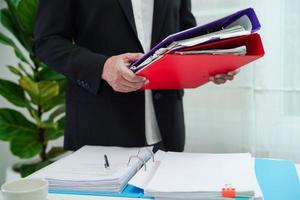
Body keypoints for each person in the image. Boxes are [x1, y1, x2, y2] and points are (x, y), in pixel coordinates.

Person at [33, 0, 237, 152]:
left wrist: (209, 62)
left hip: (167, 129)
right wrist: (103, 67)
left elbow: (183, 32)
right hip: (101, 127)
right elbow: (47, 42)